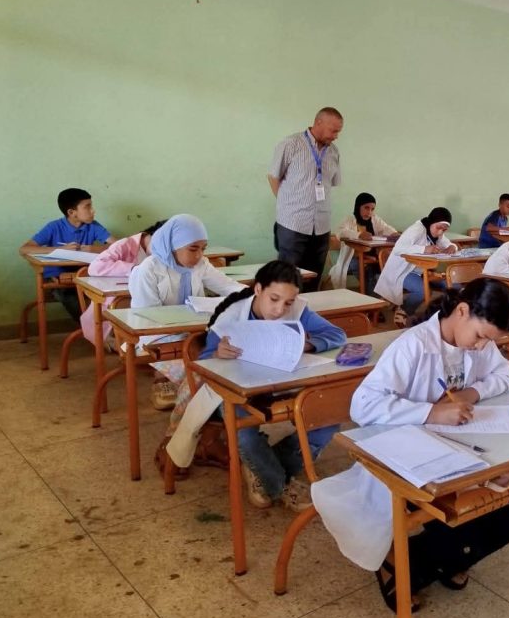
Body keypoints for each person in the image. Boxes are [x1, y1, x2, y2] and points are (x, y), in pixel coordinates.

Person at [315, 278, 509, 613]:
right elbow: (363, 405)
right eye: (480, 336)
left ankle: (424, 560)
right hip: (406, 456)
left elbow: (505, 376)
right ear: (462, 311)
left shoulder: (480, 343)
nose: (481, 347)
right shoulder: (413, 345)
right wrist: (431, 411)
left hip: (457, 450)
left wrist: (472, 392)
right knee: (464, 509)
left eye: (489, 340)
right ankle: (404, 564)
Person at [202, 260, 347, 510]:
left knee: (327, 419)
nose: (280, 309)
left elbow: (337, 335)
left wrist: (308, 344)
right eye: (274, 299)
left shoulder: (298, 310)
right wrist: (217, 353)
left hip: (282, 383)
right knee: (245, 433)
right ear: (258, 289)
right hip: (237, 390)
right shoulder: (232, 316)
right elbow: (203, 360)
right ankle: (280, 484)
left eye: (288, 302)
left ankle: (260, 468)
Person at [129, 214, 244, 410]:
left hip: (194, 328)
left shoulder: (201, 265)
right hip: (158, 332)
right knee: (197, 350)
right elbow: (148, 315)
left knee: (228, 343)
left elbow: (228, 286)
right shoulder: (148, 269)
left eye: (203, 249)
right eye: (193, 249)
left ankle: (203, 391)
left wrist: (258, 297)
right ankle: (164, 380)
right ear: (173, 245)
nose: (199, 255)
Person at [268, 107, 344, 288]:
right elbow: (273, 176)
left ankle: (309, 306)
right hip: (293, 224)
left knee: (313, 279)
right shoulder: (291, 144)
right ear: (318, 123)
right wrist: (286, 205)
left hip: (322, 226)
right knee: (288, 279)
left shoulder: (333, 152)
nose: (336, 136)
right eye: (333, 131)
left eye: (338, 132)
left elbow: (331, 183)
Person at [20, 187, 115, 321]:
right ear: (71, 212)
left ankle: (106, 328)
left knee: (110, 296)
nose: (93, 210)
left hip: (84, 276)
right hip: (58, 279)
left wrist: (92, 248)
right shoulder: (54, 227)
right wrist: (60, 250)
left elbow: (118, 246)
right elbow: (24, 249)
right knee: (75, 300)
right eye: (87, 207)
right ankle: (96, 329)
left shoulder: (93, 226)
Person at [79, 219, 166, 346]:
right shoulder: (126, 244)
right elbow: (96, 267)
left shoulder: (165, 253)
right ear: (154, 236)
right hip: (119, 300)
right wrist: (134, 269)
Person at [374, 207, 458, 325]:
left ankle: (446, 316)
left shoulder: (435, 232)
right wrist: (424, 249)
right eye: (439, 228)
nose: (440, 232)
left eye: (444, 230)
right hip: (404, 271)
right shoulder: (417, 229)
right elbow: (398, 248)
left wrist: (452, 247)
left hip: (422, 270)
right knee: (422, 291)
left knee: (453, 285)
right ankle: (404, 311)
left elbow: (447, 243)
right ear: (432, 222)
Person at [330, 192, 399, 293]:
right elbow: (340, 232)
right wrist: (359, 235)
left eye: (372, 209)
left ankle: (379, 294)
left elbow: (386, 228)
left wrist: (395, 234)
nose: (369, 212)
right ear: (358, 206)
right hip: (352, 258)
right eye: (366, 208)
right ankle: (371, 295)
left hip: (371, 257)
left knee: (385, 263)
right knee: (360, 266)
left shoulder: (374, 219)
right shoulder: (350, 219)